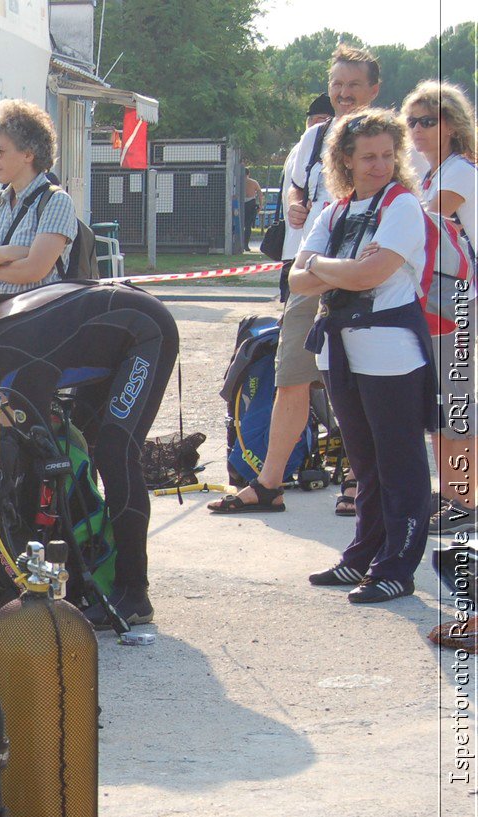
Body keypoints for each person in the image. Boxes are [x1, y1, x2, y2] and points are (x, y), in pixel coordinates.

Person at [0, 282, 180, 626]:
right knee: (82, 443)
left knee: (114, 452)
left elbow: (37, 454)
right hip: (101, 332)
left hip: (143, 329)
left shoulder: (17, 357)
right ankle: (96, 561)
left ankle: (134, 593)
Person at [211, 45, 380, 517]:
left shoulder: (385, 141)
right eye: (337, 85)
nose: (344, 94)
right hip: (306, 272)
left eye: (354, 85)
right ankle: (269, 485)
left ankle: (357, 482)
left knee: (356, 382)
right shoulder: (314, 138)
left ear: (374, 90)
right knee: (292, 377)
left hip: (363, 279)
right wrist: (292, 204)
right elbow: (294, 183)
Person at [292, 108, 432, 604]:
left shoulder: (404, 206)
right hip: (339, 347)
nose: (379, 165)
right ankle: (362, 558)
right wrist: (343, 268)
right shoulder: (333, 211)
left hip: (390, 349)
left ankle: (397, 567)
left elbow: (370, 277)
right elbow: (296, 280)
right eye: (368, 157)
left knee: (400, 461)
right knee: (363, 462)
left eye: (388, 155)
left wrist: (323, 266)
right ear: (345, 161)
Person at [403, 81, 478, 534]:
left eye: (427, 121)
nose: (416, 130)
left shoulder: (460, 171)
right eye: (410, 121)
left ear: (451, 124)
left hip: (462, 302)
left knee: (457, 403)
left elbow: (417, 225)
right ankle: (450, 490)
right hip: (441, 300)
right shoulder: (434, 173)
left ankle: (463, 499)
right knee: (442, 403)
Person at [0, 99, 77, 294]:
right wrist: (10, 252)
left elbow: (32, 270)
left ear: (28, 154)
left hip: (36, 317)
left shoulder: (57, 201)